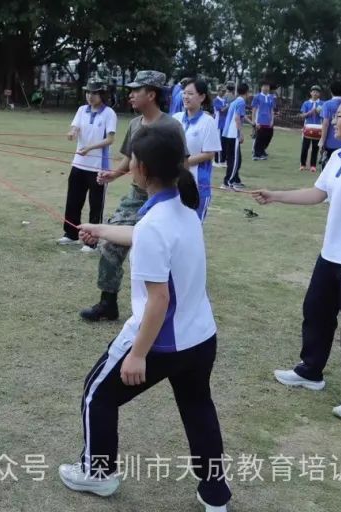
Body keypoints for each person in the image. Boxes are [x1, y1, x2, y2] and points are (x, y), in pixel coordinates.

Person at [59, 124, 231, 511]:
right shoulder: (185, 210)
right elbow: (143, 235)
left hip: (160, 342)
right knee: (198, 407)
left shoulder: (155, 225)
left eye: (132, 159)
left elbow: (158, 299)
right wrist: (101, 229)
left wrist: (137, 354)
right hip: (200, 339)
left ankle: (98, 473)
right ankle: (215, 493)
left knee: (96, 395)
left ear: (141, 170)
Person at [252, 92, 341, 423]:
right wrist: (276, 196)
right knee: (315, 311)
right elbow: (318, 194)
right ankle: (310, 371)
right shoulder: (338, 157)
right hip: (330, 253)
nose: (335, 119)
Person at [78, 71, 187, 322]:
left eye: (136, 90)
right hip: (137, 196)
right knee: (111, 244)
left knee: (165, 254)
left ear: (151, 94)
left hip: (165, 198)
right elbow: (129, 159)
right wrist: (114, 174)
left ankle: (168, 308)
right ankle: (108, 303)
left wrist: (178, 201)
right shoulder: (135, 124)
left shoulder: (171, 127)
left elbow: (183, 164)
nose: (131, 94)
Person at [60, 76, 118, 250]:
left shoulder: (109, 113)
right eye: (88, 92)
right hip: (79, 163)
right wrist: (73, 132)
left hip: (98, 166)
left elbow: (110, 139)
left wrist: (89, 147)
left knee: (96, 204)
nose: (90, 96)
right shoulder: (81, 110)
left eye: (94, 93)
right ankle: (70, 233)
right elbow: (76, 127)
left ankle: (92, 241)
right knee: (73, 200)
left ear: (102, 94)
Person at [174, 79, 221, 221]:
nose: (185, 97)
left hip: (197, 183)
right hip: (173, 182)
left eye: (190, 93)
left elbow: (209, 154)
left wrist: (183, 163)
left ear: (201, 97)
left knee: (193, 228)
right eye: (184, 93)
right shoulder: (175, 119)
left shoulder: (208, 122)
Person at [219, 82, 249, 190]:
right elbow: (237, 118)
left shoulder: (235, 101)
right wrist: (240, 133)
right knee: (234, 159)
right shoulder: (241, 102)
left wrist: (252, 123)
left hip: (227, 133)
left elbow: (241, 116)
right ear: (247, 92)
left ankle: (235, 180)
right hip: (232, 134)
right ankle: (228, 182)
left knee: (236, 159)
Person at [318, 81, 341, 169]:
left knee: (328, 167)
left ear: (331, 91)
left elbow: (325, 123)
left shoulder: (327, 104)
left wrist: (322, 140)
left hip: (330, 142)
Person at [299, 85, 323, 171]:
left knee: (315, 147)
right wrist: (310, 112)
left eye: (317, 92)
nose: (315, 93)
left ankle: (313, 165)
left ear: (319, 94)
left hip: (318, 128)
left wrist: (318, 112)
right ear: (310, 93)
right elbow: (302, 115)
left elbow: (323, 116)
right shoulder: (306, 103)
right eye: (313, 92)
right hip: (308, 127)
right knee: (305, 146)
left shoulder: (322, 104)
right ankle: (303, 164)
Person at [251, 81, 277, 161]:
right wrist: (254, 121)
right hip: (260, 121)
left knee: (268, 137)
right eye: (264, 86)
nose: (266, 88)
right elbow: (254, 110)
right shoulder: (257, 97)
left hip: (268, 121)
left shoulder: (272, 97)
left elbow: (272, 110)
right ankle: (256, 154)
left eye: (267, 86)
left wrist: (272, 120)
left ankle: (262, 152)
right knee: (259, 138)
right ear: (261, 87)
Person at [211, 84, 231, 167]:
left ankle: (223, 160)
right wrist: (228, 106)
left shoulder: (224, 100)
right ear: (218, 91)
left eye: (224, 91)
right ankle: (217, 161)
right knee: (218, 143)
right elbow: (222, 110)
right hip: (218, 124)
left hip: (225, 124)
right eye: (222, 91)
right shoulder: (216, 100)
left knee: (224, 143)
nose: (223, 93)